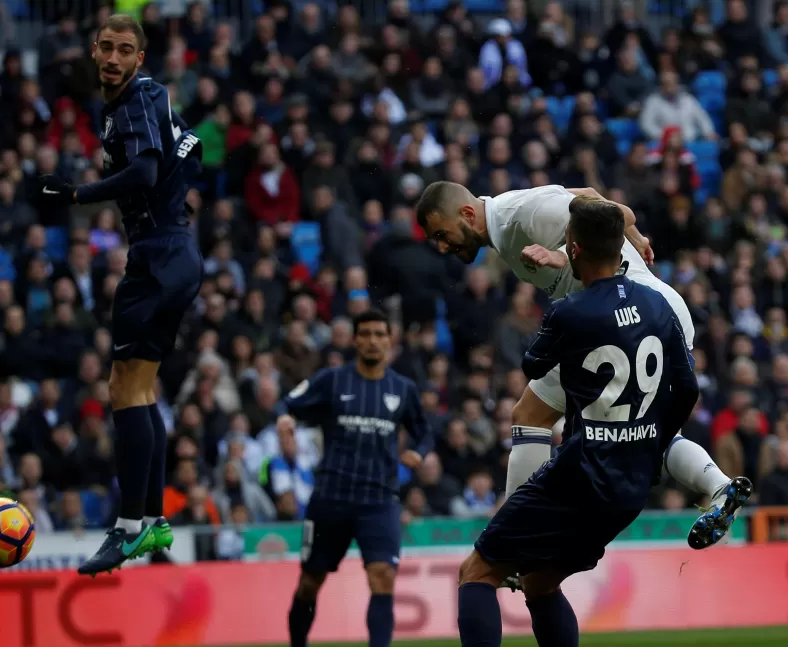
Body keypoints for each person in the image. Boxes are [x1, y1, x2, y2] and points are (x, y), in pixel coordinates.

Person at [455, 197, 736, 647]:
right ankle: (714, 482)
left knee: (477, 571)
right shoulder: (655, 301)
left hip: (582, 471)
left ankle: (514, 515)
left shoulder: (569, 306)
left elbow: (532, 363)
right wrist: (652, 444)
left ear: (573, 245)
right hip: (629, 485)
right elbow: (687, 391)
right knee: (540, 583)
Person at [415, 182, 751, 556]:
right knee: (645, 431)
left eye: (442, 235)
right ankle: (719, 486)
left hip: (621, 320)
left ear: (466, 214)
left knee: (531, 416)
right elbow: (591, 193)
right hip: (660, 314)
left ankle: (514, 538)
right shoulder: (514, 212)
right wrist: (635, 237)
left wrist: (564, 253)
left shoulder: (526, 215)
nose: (442, 247)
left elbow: (609, 212)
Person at [37, 14, 205, 576]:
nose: (112, 57)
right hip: (178, 252)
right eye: (105, 47)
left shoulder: (133, 103)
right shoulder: (154, 99)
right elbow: (192, 148)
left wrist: (79, 193)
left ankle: (128, 526)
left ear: (139, 58)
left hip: (157, 255)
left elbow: (143, 171)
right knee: (141, 389)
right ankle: (153, 520)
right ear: (94, 50)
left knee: (123, 391)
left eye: (124, 50)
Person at [279, 309, 434, 647]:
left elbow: (424, 433)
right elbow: (288, 404)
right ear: (354, 340)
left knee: (383, 576)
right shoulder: (331, 380)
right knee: (310, 581)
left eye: (380, 334)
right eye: (365, 334)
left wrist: (418, 454)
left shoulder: (403, 389)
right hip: (330, 499)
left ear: (390, 341)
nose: (373, 341)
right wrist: (285, 421)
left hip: (379, 500)